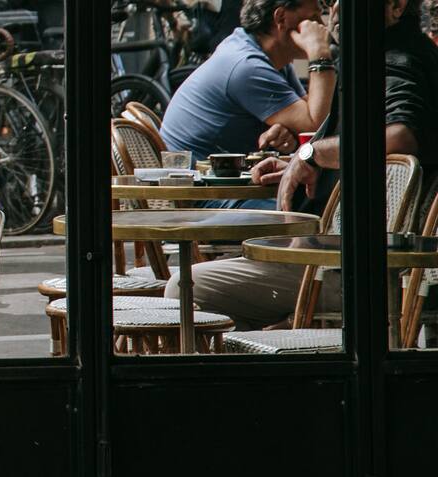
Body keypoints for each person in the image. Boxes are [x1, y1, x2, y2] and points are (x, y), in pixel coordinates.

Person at [172, 0, 438, 331]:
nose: (335, 11)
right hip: (349, 256)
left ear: (396, 6)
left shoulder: (396, 59)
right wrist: (297, 162)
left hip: (351, 269)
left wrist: (310, 155)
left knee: (185, 289)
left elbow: (401, 136)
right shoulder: (389, 54)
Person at [158, 0, 336, 211]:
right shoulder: (246, 65)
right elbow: (316, 123)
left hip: (233, 188)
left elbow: (308, 112)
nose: (320, 27)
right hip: (203, 200)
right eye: (314, 17)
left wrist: (288, 126)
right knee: (322, 212)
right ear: (281, 18)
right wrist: (320, 54)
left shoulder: (262, 55)